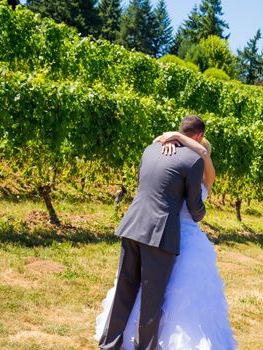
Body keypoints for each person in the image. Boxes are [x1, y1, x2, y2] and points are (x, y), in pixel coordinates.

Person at [95, 119, 238, 349]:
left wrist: (170, 137)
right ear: (199, 136)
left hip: (133, 225)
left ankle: (109, 345)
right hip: (160, 233)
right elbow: (194, 207)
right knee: (152, 300)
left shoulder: (152, 149)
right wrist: (200, 212)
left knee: (125, 288)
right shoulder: (193, 161)